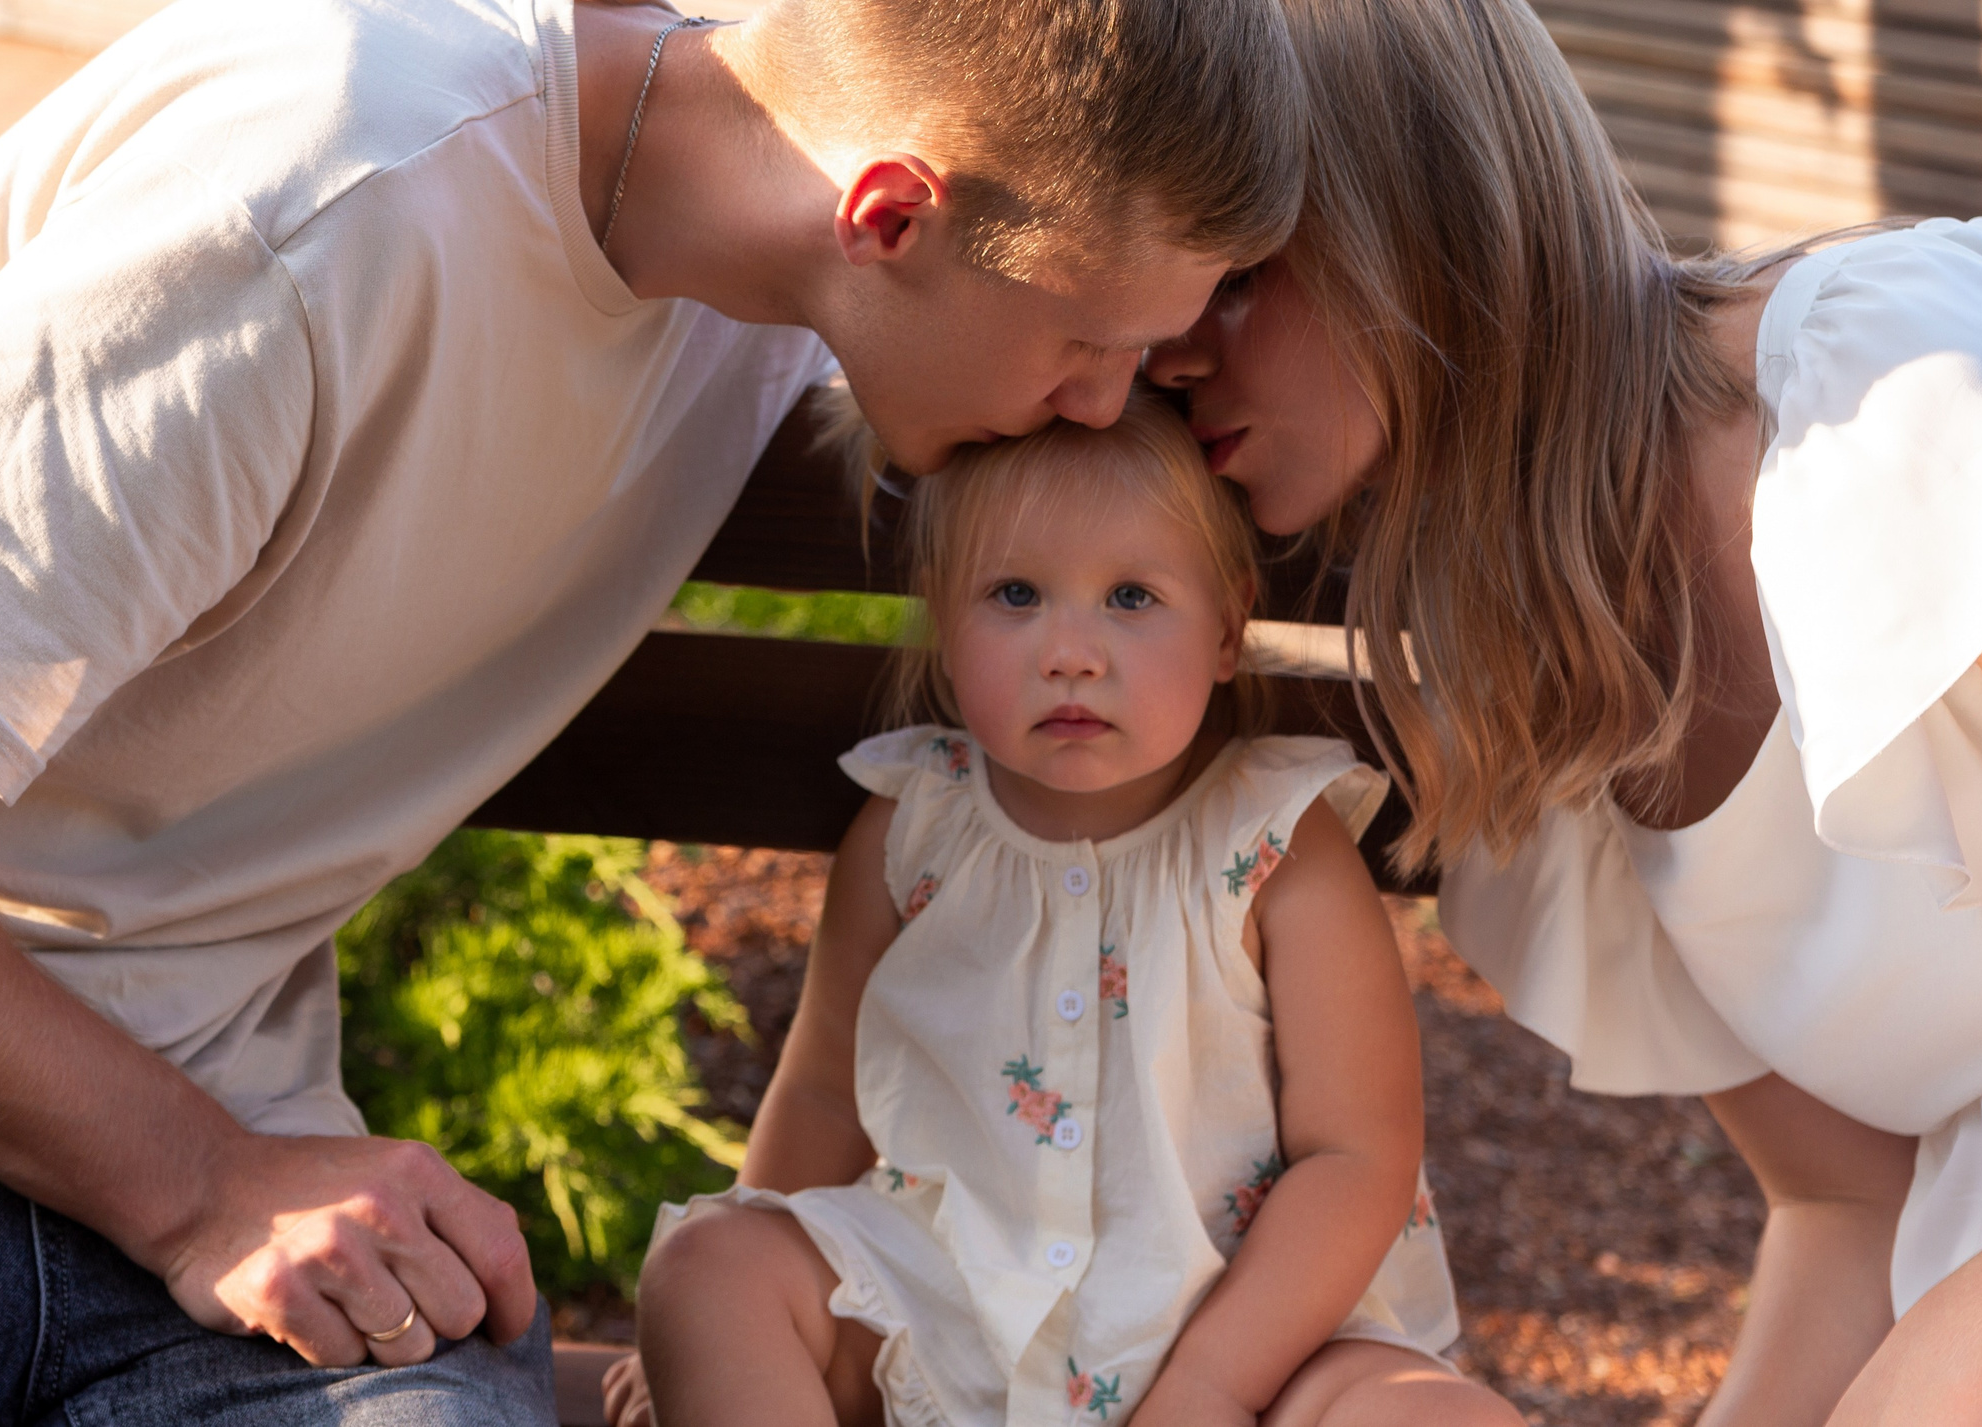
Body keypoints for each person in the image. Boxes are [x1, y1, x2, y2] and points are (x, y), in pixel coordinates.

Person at [0, 0, 1302, 1422]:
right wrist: (197, 1185)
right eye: (1092, 343)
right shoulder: (322, 205)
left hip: (221, 1181)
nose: (1108, 404)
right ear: (891, 212)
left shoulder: (774, 278)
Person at [1147, 0, 1982, 1426]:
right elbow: (1846, 1206)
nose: (1173, 354)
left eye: (1236, 278)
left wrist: (1962, 1347)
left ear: (1417, 232)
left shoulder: (1893, 391)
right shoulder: (1536, 689)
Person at [606, 391, 1519, 1427]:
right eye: (1014, 594)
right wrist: (707, 1340)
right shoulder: (913, 834)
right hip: (956, 1310)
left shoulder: (1275, 848)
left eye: (1131, 596)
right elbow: (822, 1096)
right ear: (944, 618)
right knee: (706, 1266)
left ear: (1227, 627)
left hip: (1246, 1327)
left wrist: (1212, 1388)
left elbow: (1355, 1158)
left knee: (1444, 1421)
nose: (1070, 652)